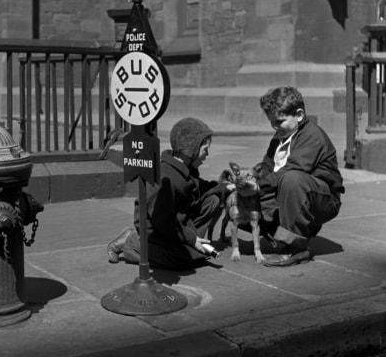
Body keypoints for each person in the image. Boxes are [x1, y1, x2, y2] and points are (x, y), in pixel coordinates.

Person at [106, 117, 232, 270]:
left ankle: (189, 245)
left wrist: (225, 187)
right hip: (157, 228)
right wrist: (191, 240)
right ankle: (132, 241)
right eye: (205, 149)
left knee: (213, 199)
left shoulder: (186, 168)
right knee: (180, 260)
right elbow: (162, 219)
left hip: (177, 222)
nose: (207, 154)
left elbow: (201, 187)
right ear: (191, 150)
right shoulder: (165, 177)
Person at [256, 86, 344, 267]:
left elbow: (289, 171)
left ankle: (294, 249)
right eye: (271, 122)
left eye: (279, 121)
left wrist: (258, 187)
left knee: (291, 179)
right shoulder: (280, 135)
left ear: (299, 115)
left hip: (322, 199)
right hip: (291, 194)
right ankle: (281, 233)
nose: (274, 127)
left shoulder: (312, 136)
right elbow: (267, 166)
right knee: (244, 198)